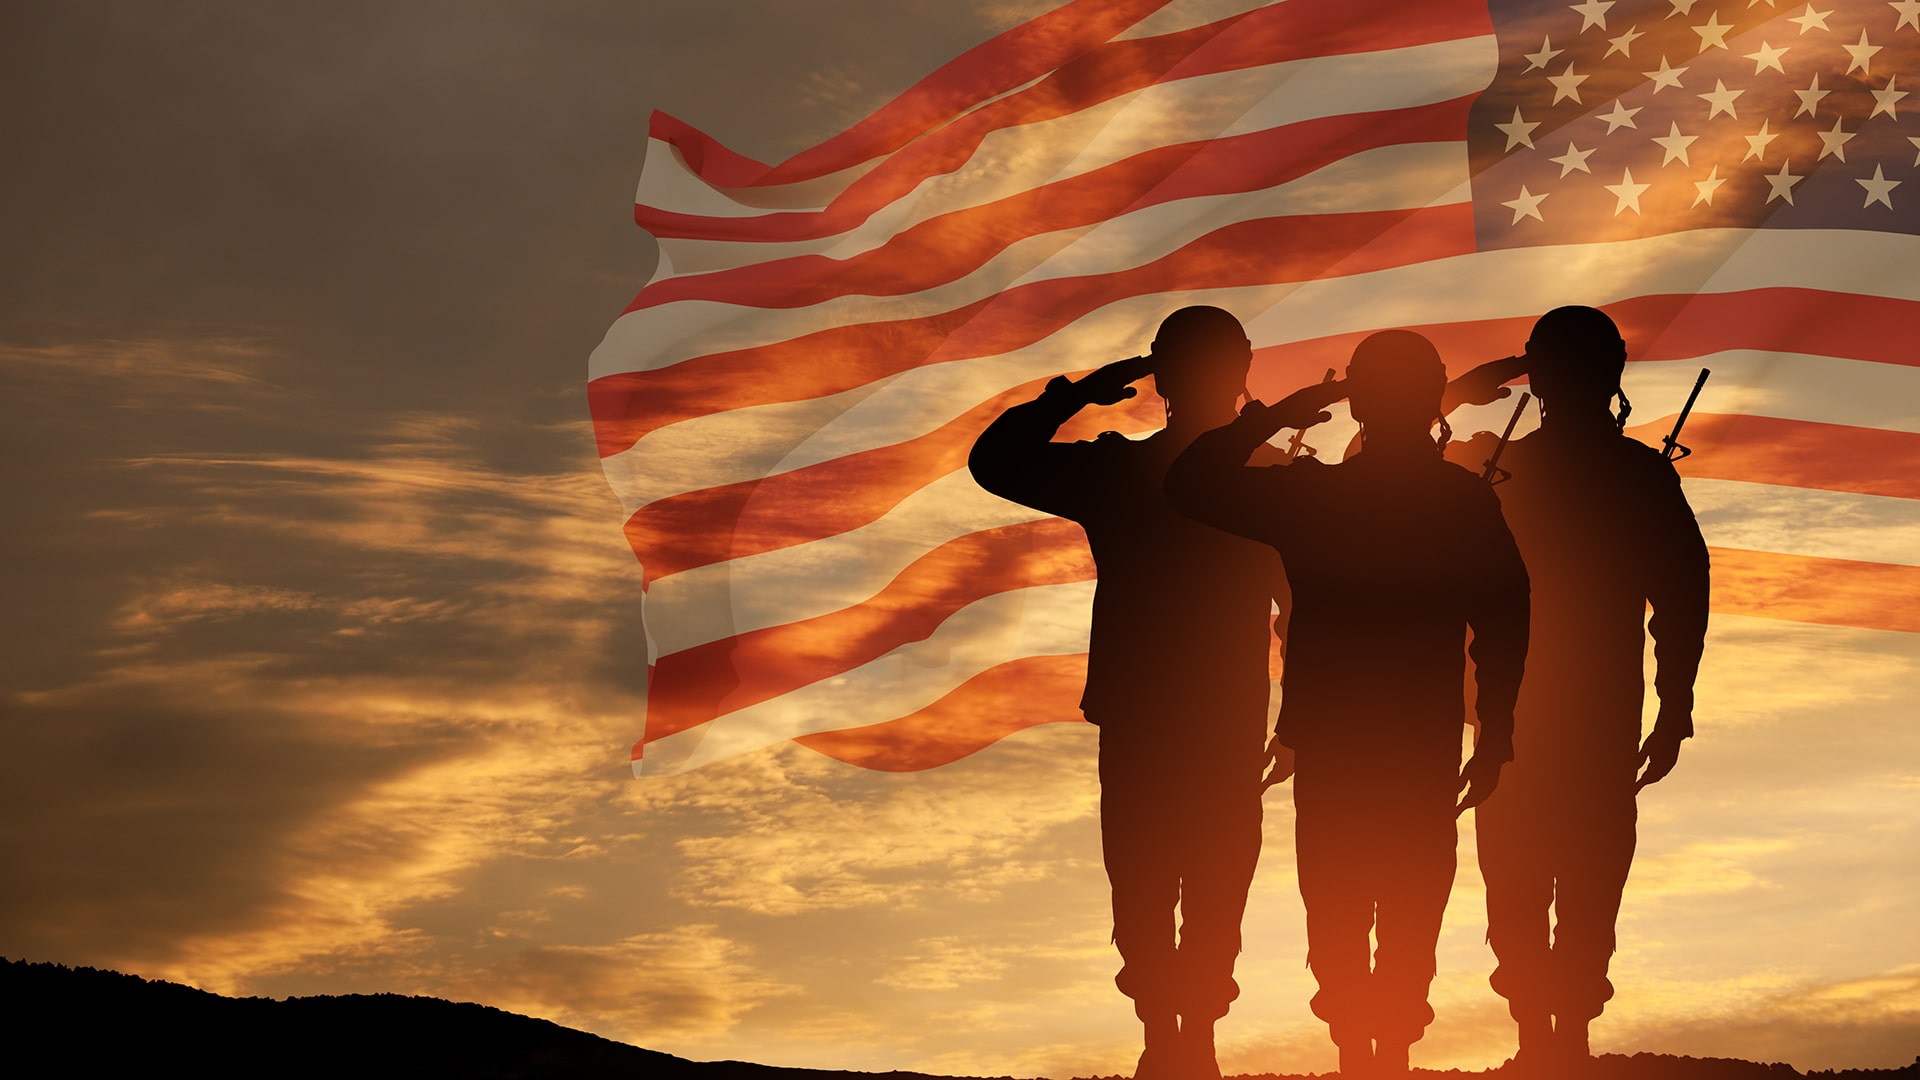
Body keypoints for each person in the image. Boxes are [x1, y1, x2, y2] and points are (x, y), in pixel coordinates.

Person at [1166, 329, 1529, 1076]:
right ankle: (1386, 1050)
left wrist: (1288, 410)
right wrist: (1495, 731)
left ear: (1357, 400)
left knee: (1336, 894)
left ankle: (1365, 1052)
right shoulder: (1458, 499)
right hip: (1416, 736)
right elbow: (1505, 616)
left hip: (1336, 734)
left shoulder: (1314, 496)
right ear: (1431, 400)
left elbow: (1191, 481)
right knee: (1408, 897)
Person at [967, 306, 1295, 1080]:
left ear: (1162, 376)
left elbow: (1296, 598)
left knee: (1170, 867)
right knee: (1178, 867)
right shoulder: (1200, 474)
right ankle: (1175, 1033)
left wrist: (1081, 395)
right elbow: (993, 465)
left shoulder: (1133, 472)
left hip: (1187, 704)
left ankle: (1183, 1035)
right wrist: (1076, 394)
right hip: (1189, 704)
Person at [1446, 306, 1710, 1067]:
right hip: (1565, 711)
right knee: (1579, 871)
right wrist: (1674, 706)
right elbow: (1683, 596)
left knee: (1535, 872)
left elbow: (1683, 593)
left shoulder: (1500, 472)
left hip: (1527, 712)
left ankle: (1548, 1040)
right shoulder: (1624, 475)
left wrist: (1477, 383)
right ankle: (1556, 1041)